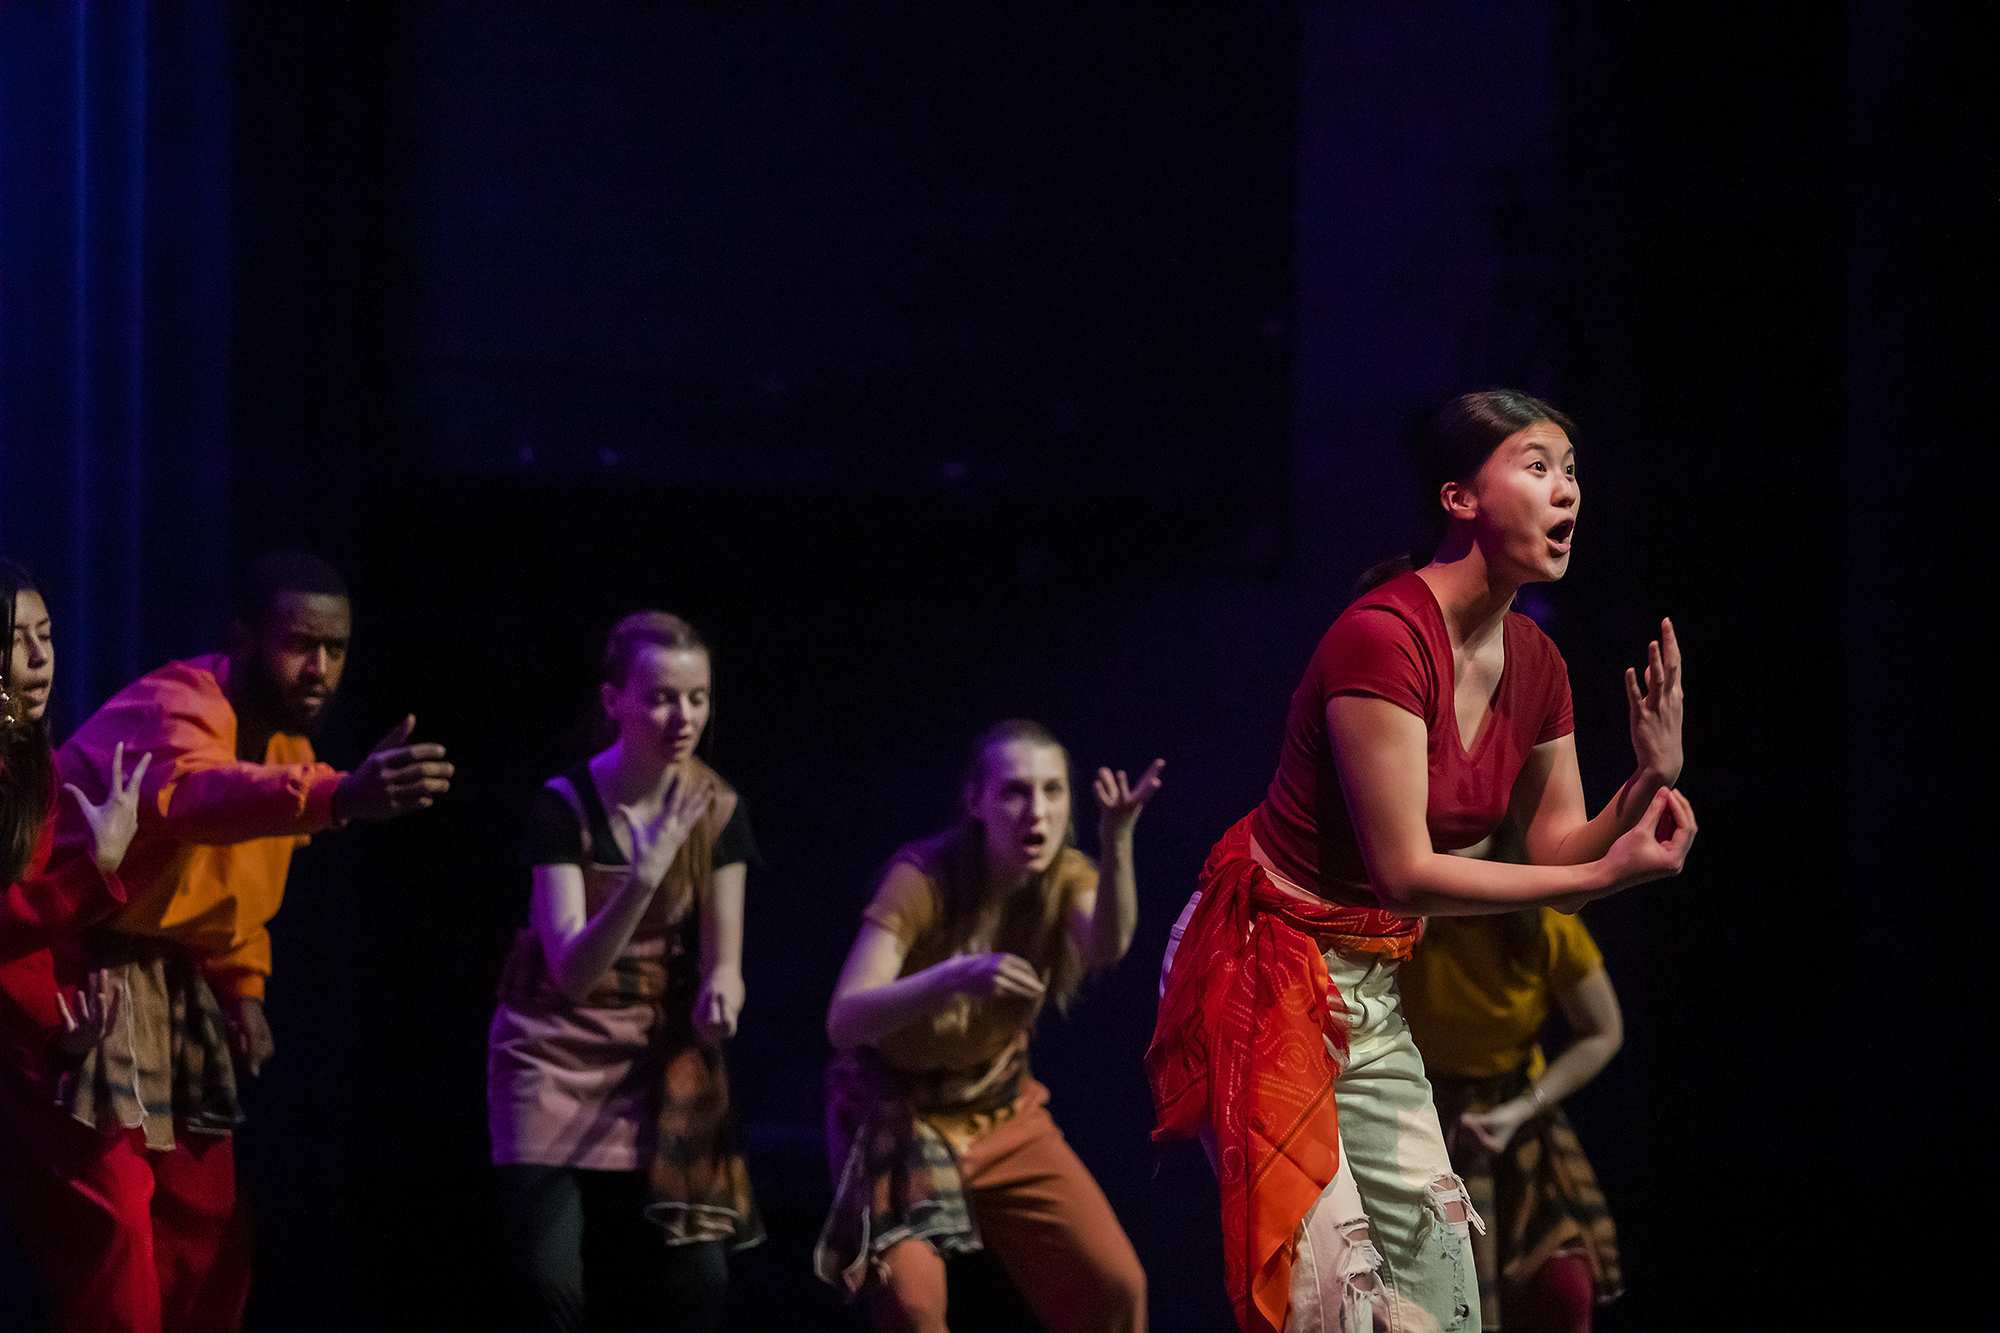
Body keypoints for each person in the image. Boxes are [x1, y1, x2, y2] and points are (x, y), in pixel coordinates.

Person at [1149, 390, 1692, 1333]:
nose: (1567, 490)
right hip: (1264, 965)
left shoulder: (1538, 662)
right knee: (1335, 1305)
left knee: (1448, 1302)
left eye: (1572, 471)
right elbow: (1406, 870)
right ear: (1459, 497)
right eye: (1537, 466)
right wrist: (1598, 883)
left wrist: (1648, 779)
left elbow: (1562, 843)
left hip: (1369, 983)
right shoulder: (1382, 636)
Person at [11, 549, 453, 1333]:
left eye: (337, 649)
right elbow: (195, 797)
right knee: (116, 1224)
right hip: (85, 967)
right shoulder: (179, 702)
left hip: (172, 982)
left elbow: (229, 886)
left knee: (208, 1228)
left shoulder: (285, 748)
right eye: (300, 644)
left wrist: (242, 988)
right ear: (243, 636)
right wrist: (341, 795)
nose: (319, 668)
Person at [816, 718, 1163, 1333]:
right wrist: (953, 976)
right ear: (976, 801)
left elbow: (1107, 944)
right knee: (913, 1311)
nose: (1038, 811)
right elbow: (845, 1020)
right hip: (897, 1116)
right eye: (1015, 792)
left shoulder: (1066, 876)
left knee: (1115, 1287)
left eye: (1053, 791)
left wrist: (1118, 842)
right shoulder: (923, 877)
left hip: (1001, 1109)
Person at [488, 611, 762, 1333]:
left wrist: (720, 995)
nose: (685, 716)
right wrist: (641, 878)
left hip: (656, 1060)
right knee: (553, 1296)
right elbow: (572, 970)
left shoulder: (719, 806)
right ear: (614, 700)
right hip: (550, 1056)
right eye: (664, 697)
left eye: (698, 697)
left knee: (698, 1280)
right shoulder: (564, 805)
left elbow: (723, 962)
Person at [1400, 841, 1625, 1333]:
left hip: (1509, 1116)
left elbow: (1602, 1030)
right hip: (1414, 1116)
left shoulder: (1545, 919)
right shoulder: (1402, 915)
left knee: (1563, 1288)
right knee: (1445, 1304)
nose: (1456, 831)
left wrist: (1524, 1108)